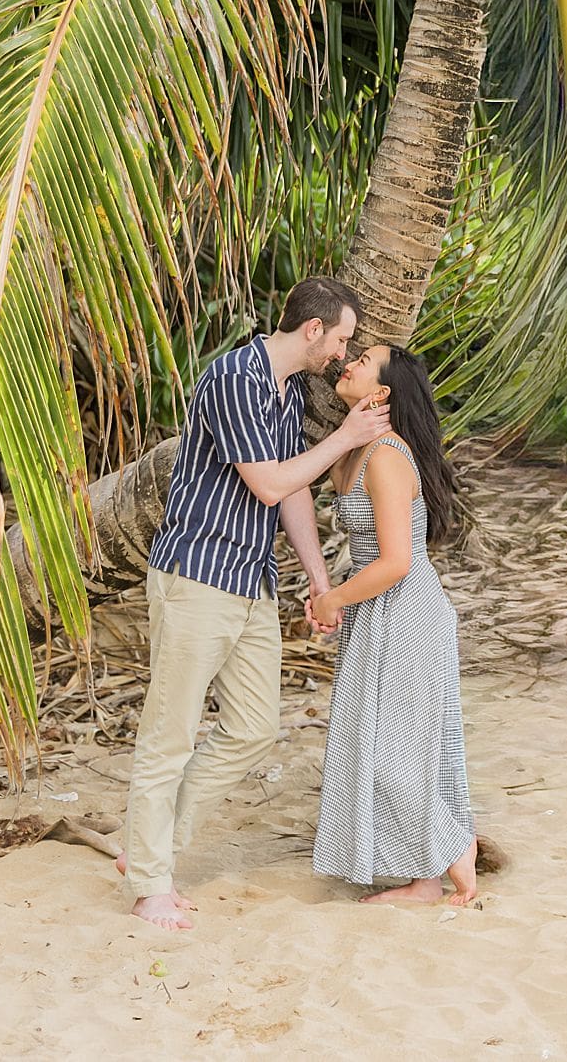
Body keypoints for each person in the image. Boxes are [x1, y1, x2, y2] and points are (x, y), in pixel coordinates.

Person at [118, 277, 391, 930]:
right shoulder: (237, 375)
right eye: (344, 338)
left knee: (252, 726)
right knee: (171, 731)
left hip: (251, 580)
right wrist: (348, 436)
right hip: (197, 574)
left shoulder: (289, 388)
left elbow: (293, 490)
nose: (344, 352)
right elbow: (268, 483)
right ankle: (152, 882)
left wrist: (319, 578)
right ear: (313, 330)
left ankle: (148, 848)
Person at [311, 344, 477, 906]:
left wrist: (333, 599)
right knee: (385, 739)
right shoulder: (356, 451)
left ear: (381, 393)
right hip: (375, 607)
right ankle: (451, 848)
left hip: (403, 608)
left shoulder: (385, 457)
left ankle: (429, 875)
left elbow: (395, 561)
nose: (348, 363)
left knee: (395, 745)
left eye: (362, 361)